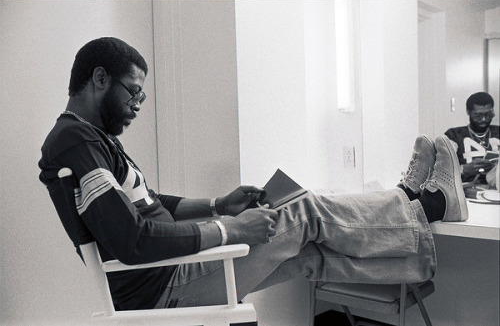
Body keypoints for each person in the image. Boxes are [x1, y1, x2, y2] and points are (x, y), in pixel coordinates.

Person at [39, 37, 467, 311]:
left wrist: (217, 205)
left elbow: (151, 202)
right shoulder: (75, 143)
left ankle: (413, 214)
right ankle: (424, 202)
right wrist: (230, 230)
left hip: (172, 272)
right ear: (99, 79)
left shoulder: (93, 138)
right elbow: (131, 241)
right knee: (303, 211)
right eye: (134, 92)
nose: (138, 103)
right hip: (164, 287)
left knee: (308, 254)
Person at [445, 92, 499, 184]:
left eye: (488, 114)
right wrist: (463, 170)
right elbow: (442, 170)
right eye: (478, 115)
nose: (483, 119)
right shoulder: (453, 135)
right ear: (468, 111)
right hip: (466, 192)